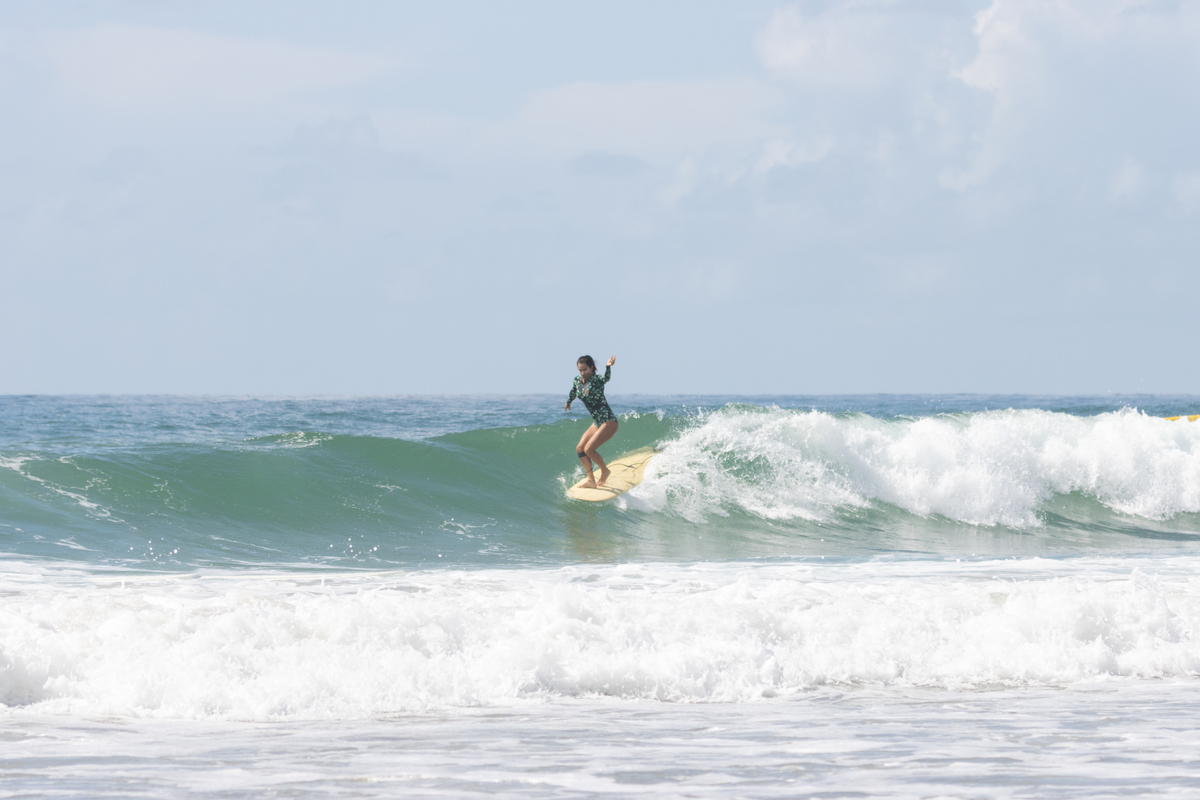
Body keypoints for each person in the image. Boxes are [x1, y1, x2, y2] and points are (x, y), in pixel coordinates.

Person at [565, 355, 618, 487]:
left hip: (608, 421)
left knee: (589, 449)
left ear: (591, 368)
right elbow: (573, 391)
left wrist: (608, 367)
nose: (582, 373)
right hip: (597, 422)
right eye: (580, 370)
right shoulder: (577, 380)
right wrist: (569, 401)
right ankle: (591, 480)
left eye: (585, 370)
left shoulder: (596, 380)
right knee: (580, 449)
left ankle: (605, 471)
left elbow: (606, 378)